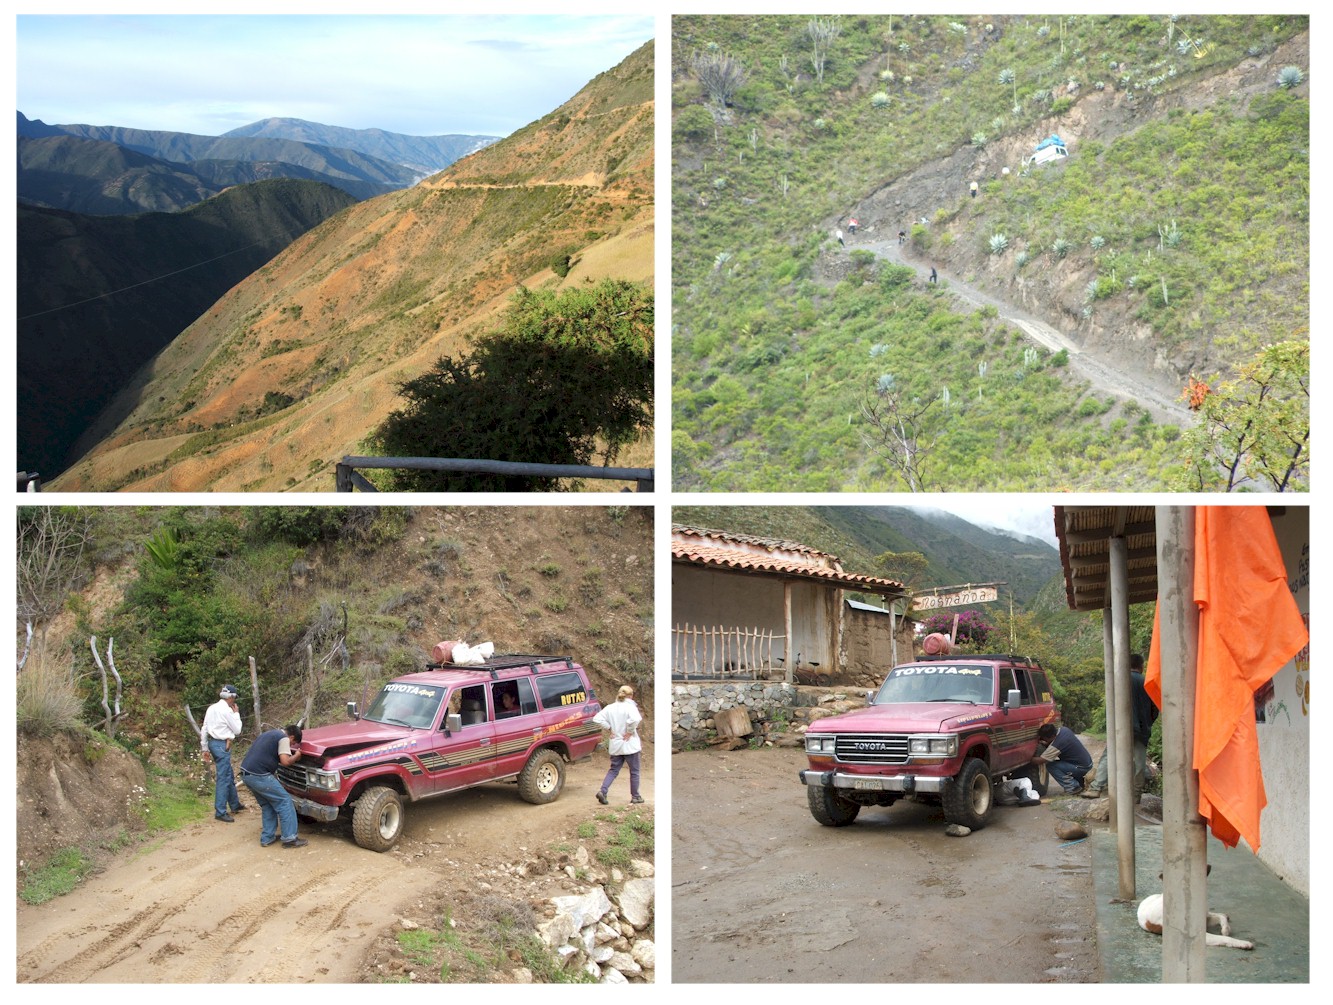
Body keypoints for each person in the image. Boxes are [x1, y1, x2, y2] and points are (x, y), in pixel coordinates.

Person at [1084, 654, 1158, 801]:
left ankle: (1096, 788)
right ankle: (1136, 795)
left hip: (1120, 727)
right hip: (1141, 730)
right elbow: (1155, 709)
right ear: (1141, 666)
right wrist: (1147, 722)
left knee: (1109, 756)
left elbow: (1111, 706)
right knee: (1139, 762)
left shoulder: (1118, 680)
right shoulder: (1147, 682)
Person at [239, 724, 307, 848]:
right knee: (285, 801)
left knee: (267, 804)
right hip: (259, 775)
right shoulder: (283, 738)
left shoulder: (268, 734)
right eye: (293, 743)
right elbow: (285, 761)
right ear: (291, 736)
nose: (290, 746)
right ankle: (290, 838)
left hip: (246, 773)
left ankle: (267, 838)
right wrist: (296, 756)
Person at [201, 684, 245, 822]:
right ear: (231, 697)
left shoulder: (211, 708)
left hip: (213, 743)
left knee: (228, 773)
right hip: (222, 745)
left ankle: (234, 804)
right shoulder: (227, 711)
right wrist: (236, 713)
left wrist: (204, 748)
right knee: (224, 778)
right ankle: (220, 811)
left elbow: (204, 728)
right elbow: (237, 730)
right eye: (234, 697)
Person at [593, 685, 644, 805]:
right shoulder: (630, 707)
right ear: (631, 696)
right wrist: (630, 732)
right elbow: (635, 719)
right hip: (629, 744)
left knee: (613, 770)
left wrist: (610, 728)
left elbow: (597, 718)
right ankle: (635, 796)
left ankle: (603, 791)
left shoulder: (610, 707)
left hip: (616, 743)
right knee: (634, 771)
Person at [1033, 723, 1093, 795]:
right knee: (1060, 763)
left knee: (1051, 766)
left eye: (1044, 738)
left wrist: (1027, 759)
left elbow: (1041, 760)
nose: (1044, 740)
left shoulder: (1057, 744)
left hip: (1081, 768)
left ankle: (1072, 788)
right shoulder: (1064, 730)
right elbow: (1057, 744)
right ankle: (1080, 783)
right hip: (1086, 764)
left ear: (1051, 736)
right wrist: (1046, 744)